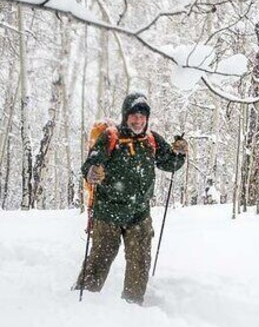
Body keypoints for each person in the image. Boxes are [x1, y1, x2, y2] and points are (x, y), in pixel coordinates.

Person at [73, 92, 187, 305]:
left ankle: (132, 307)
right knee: (99, 260)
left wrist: (179, 153)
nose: (138, 120)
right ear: (126, 116)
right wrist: (92, 172)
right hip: (108, 213)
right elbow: (90, 164)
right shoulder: (110, 136)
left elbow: (169, 164)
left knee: (139, 262)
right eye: (134, 116)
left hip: (139, 213)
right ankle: (81, 303)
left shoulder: (151, 139)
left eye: (142, 116)